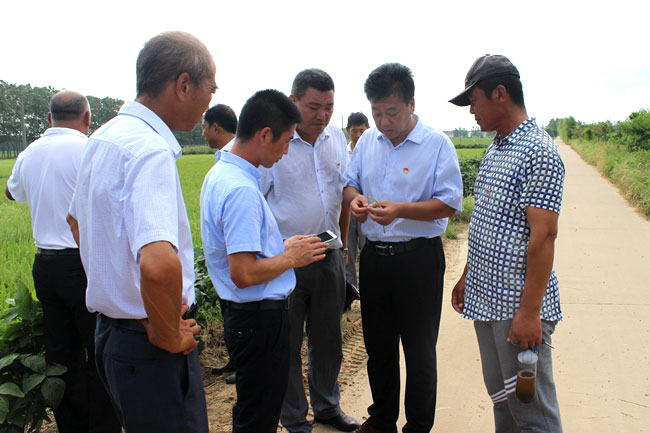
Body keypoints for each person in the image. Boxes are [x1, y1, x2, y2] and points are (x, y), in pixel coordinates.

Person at [67, 32, 216, 433]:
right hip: (149, 346)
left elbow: (75, 222)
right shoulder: (150, 151)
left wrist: (120, 288)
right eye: (211, 88)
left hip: (113, 336)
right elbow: (159, 264)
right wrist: (166, 332)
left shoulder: (102, 137)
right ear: (183, 85)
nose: (210, 100)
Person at [343, 63, 463, 433]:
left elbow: (449, 203)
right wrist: (355, 200)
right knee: (378, 347)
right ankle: (382, 420)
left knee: (419, 350)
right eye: (376, 112)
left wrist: (400, 211)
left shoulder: (436, 145)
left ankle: (418, 425)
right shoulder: (367, 142)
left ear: (411, 104)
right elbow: (349, 184)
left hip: (419, 261)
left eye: (391, 112)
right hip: (375, 260)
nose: (383, 122)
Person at [200, 89, 328, 433]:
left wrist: (280, 246)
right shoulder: (241, 190)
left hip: (246, 318)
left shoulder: (223, 173)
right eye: (285, 142)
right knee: (259, 415)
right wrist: (290, 257)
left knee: (252, 407)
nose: (285, 152)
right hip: (258, 321)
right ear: (265, 134)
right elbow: (243, 273)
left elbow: (242, 249)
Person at [449, 54, 564, 433]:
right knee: (504, 402)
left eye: (474, 101)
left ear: (500, 94)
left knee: (533, 413)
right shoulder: (497, 148)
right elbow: (487, 220)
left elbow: (543, 237)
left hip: (516, 305)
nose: (472, 112)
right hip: (486, 299)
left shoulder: (538, 152)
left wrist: (530, 313)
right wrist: (468, 275)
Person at [5, 91, 120, 433]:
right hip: (83, 263)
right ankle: (104, 426)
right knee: (98, 349)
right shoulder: (90, 149)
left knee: (61, 356)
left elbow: (12, 192)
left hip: (45, 267)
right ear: (87, 118)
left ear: (49, 118)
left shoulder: (29, 153)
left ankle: (72, 426)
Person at [259, 68, 359, 433]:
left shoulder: (336, 139)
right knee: (287, 343)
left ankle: (327, 407)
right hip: (286, 260)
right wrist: (273, 257)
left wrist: (343, 248)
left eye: (329, 107)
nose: (322, 115)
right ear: (293, 101)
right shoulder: (274, 143)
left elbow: (342, 196)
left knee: (328, 338)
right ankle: (294, 418)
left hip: (328, 253)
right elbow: (257, 204)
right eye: (314, 106)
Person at [344, 112, 370, 288]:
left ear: (369, 129)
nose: (359, 135)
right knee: (348, 251)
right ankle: (351, 290)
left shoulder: (372, 152)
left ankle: (369, 287)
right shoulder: (342, 153)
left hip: (367, 209)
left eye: (362, 130)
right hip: (346, 209)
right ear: (348, 131)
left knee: (368, 249)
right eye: (354, 131)